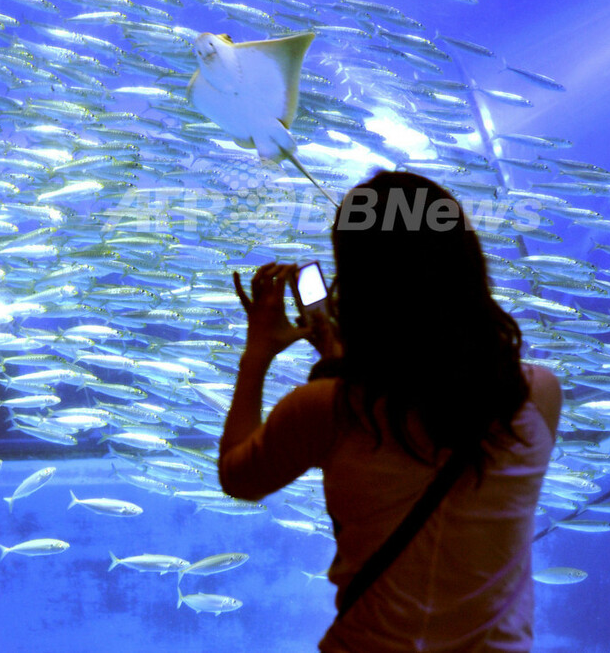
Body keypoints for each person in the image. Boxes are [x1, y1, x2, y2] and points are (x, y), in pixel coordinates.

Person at [219, 170, 562, 652]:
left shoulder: (329, 407)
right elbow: (433, 402)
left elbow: (239, 477)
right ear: (466, 262)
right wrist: (340, 359)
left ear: (360, 286)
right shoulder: (537, 395)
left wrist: (258, 350)